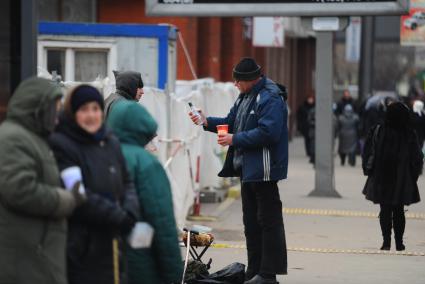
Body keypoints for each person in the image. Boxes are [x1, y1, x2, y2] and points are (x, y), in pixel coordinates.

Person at [189, 57, 288, 284]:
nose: (234, 84)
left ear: (250, 80)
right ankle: (255, 271)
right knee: (251, 224)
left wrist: (235, 139)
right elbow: (229, 122)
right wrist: (205, 121)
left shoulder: (270, 97)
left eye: (237, 81)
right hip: (247, 169)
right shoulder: (246, 96)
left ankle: (268, 274)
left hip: (264, 170)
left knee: (268, 222)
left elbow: (269, 133)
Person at [49, 85, 140, 284]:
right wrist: (117, 215)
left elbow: (127, 181)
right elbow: (78, 194)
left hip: (115, 243)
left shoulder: (110, 141)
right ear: (72, 113)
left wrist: (131, 210)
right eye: (84, 110)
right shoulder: (61, 144)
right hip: (83, 247)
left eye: (95, 108)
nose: (91, 115)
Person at [0, 77, 85, 284]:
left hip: (36, 257)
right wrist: (65, 199)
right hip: (24, 260)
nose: (57, 116)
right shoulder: (13, 138)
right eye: (54, 109)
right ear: (38, 107)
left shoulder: (34, 139)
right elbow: (20, 190)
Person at [107, 100, 183, 284]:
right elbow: (161, 220)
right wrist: (174, 271)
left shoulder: (101, 154)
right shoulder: (146, 163)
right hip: (140, 257)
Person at [362, 102, 423, 251]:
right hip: (402, 179)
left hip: (381, 176)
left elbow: (367, 151)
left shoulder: (378, 130)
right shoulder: (409, 133)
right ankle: (399, 242)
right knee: (399, 210)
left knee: (385, 209)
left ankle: (386, 241)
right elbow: (417, 157)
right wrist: (413, 175)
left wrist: (368, 169)